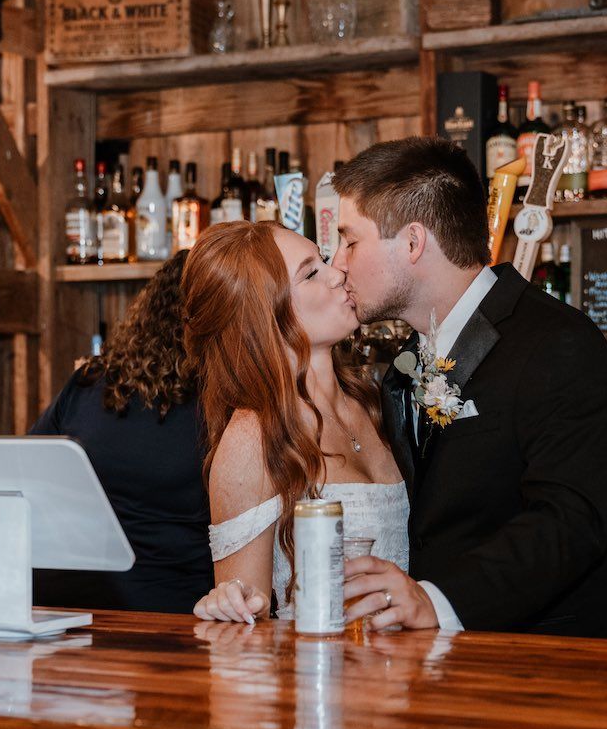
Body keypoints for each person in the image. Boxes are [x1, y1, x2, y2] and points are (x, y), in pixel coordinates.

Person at [332, 137, 607, 638]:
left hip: (552, 664)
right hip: (444, 668)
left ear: (412, 242)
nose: (339, 261)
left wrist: (435, 601)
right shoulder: (404, 366)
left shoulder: (558, 343)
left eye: (350, 240)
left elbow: (570, 522)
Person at [184, 220, 406, 623]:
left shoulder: (371, 401)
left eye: (324, 260)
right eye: (311, 273)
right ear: (263, 315)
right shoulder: (255, 437)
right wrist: (228, 605)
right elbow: (245, 619)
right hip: (320, 673)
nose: (339, 273)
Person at [30, 251, 213, 614]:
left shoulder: (90, 382)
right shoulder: (225, 402)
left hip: (59, 607)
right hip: (173, 616)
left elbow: (29, 467)